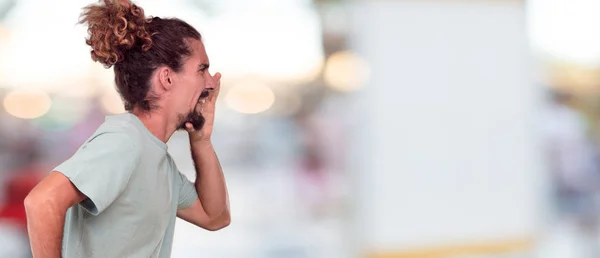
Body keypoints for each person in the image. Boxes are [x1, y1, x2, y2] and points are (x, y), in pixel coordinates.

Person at [23, 0, 231, 257]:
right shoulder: (124, 141)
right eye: (202, 70)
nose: (211, 83)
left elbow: (215, 217)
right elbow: (42, 202)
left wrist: (202, 141)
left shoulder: (156, 158)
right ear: (167, 78)